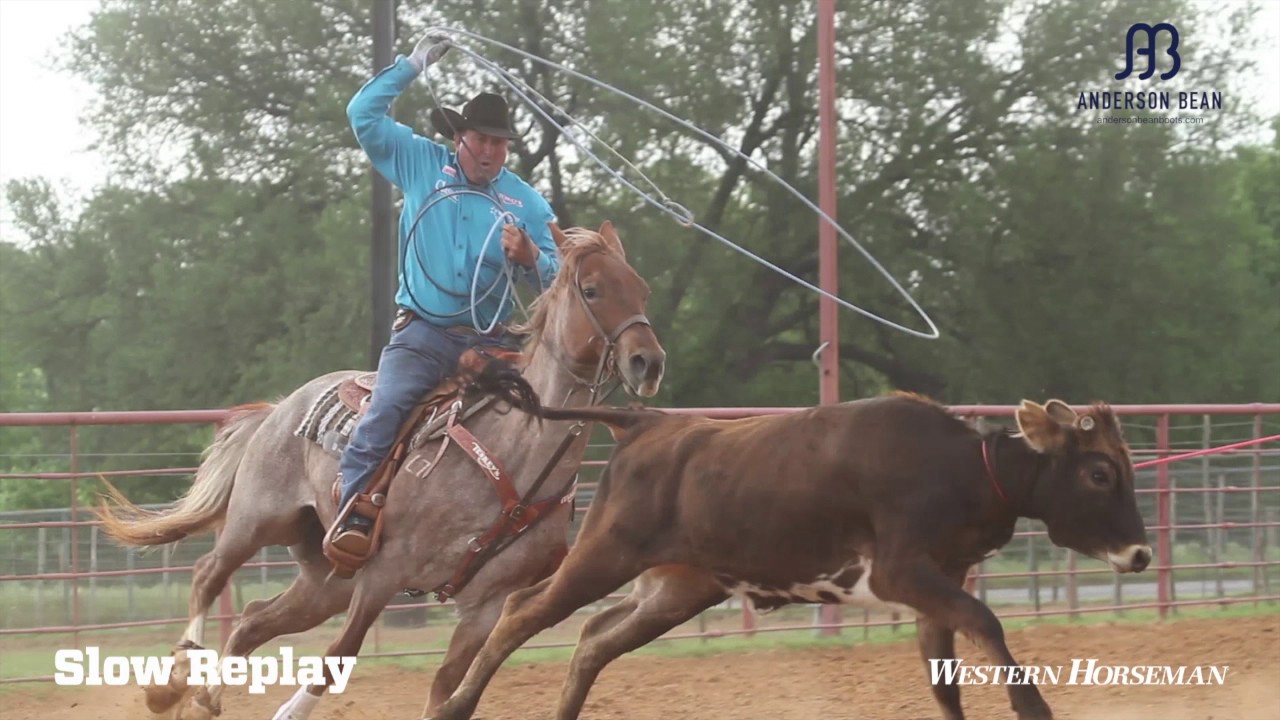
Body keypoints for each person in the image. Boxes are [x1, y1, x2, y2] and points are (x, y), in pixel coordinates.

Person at [331, 35, 561, 559]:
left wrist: (530, 257)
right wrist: (411, 66)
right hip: (422, 333)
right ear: (460, 136)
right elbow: (362, 114)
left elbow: (560, 279)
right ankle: (352, 514)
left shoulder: (524, 201)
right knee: (385, 411)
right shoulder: (420, 162)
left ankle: (528, 527)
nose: (488, 151)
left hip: (492, 341)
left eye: (499, 144)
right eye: (481, 139)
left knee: (539, 416)